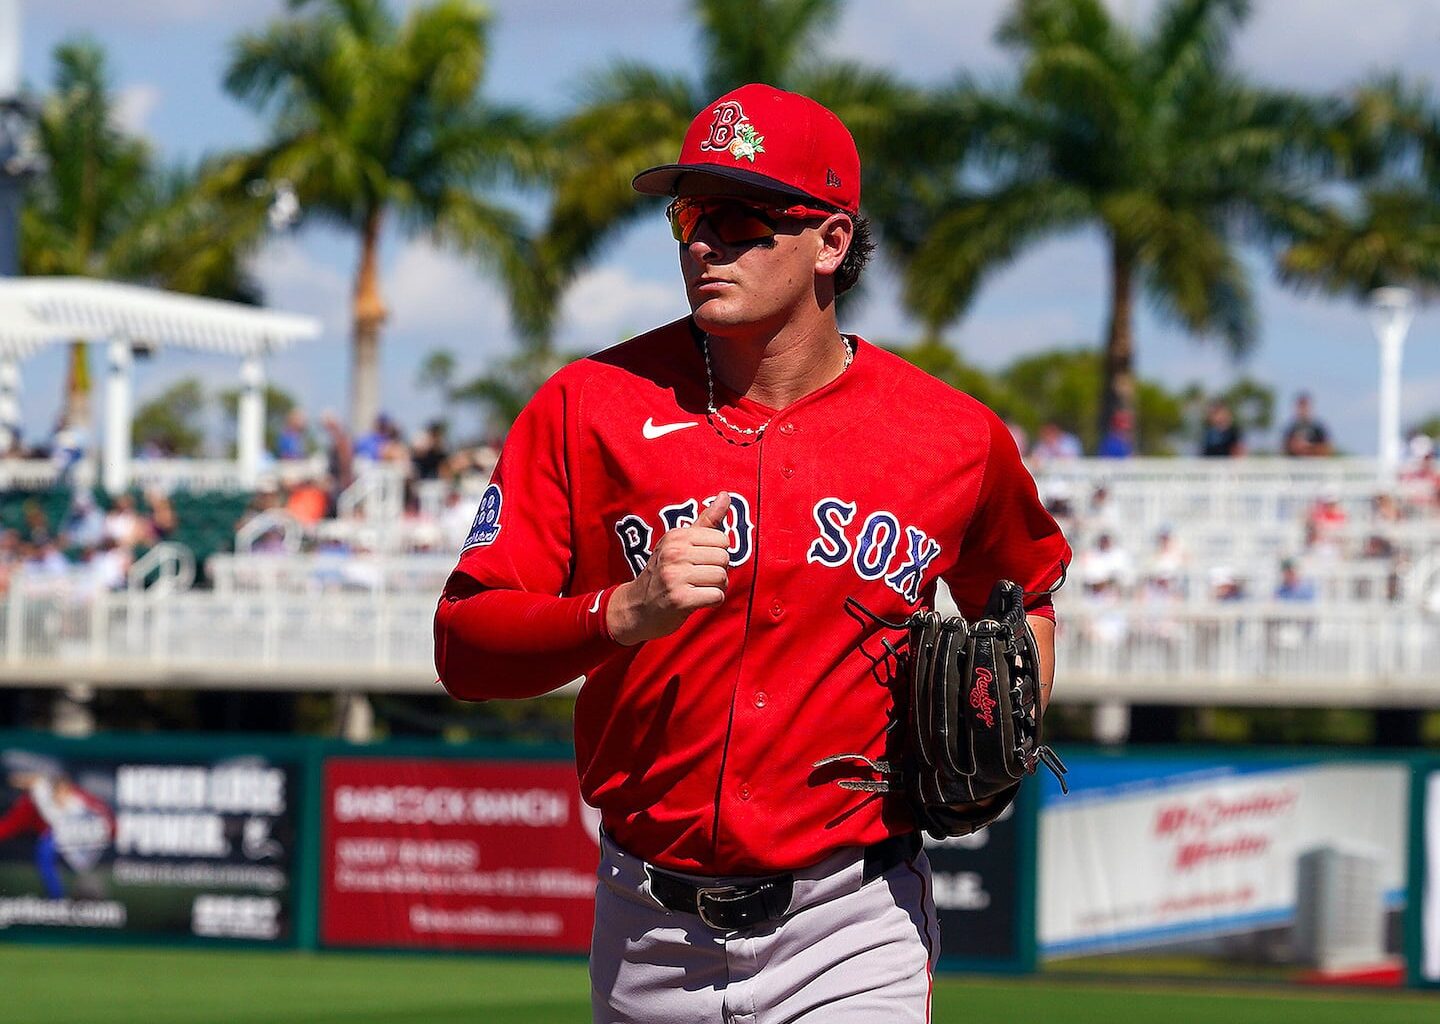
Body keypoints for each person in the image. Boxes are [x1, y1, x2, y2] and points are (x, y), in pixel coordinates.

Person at [433, 84, 1070, 1024]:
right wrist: (616, 613)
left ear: (831, 242)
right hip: (648, 927)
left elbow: (1029, 594)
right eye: (689, 214)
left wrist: (1007, 703)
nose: (703, 242)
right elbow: (465, 647)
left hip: (853, 918)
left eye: (740, 218)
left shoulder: (950, 436)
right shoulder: (588, 404)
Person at [1282, 392, 1333, 457]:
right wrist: (1294, 447)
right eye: (1300, 406)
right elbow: (1283, 448)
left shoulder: (1318, 428)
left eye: (1305, 406)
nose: (1303, 410)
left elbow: (1327, 448)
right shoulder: (1291, 429)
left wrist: (1309, 448)